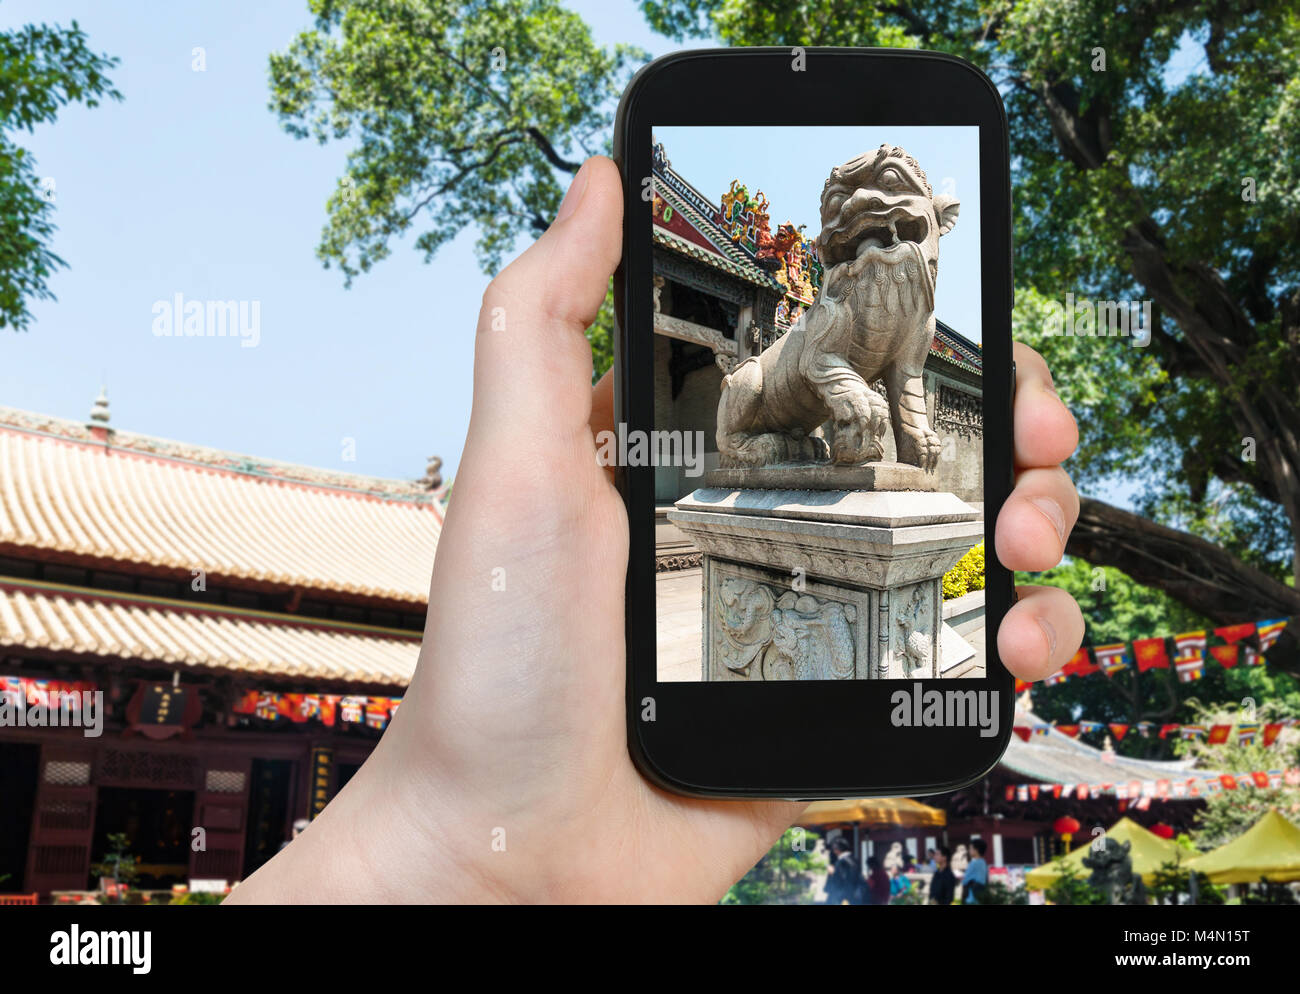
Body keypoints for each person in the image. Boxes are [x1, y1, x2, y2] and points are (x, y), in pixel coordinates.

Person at [224, 156, 1084, 904]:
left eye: (906, 228)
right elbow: (829, 368)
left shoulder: (911, 312)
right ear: (832, 251)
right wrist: (461, 849)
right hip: (767, 416)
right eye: (864, 235)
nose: (887, 248)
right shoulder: (823, 317)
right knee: (752, 405)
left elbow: (907, 386)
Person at [823, 838, 865, 906]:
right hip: (853, 897)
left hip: (844, 898)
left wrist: (833, 872)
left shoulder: (843, 861)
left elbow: (845, 881)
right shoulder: (853, 859)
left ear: (836, 849)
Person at [962, 839, 990, 905]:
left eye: (970, 848)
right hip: (980, 896)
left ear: (976, 850)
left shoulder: (974, 863)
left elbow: (964, 880)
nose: (969, 850)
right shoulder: (983, 862)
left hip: (971, 897)